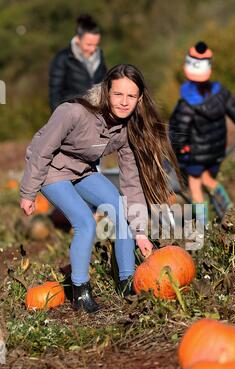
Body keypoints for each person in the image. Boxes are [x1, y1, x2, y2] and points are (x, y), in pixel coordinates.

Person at [20, 64, 180, 315]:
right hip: (51, 170)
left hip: (82, 170)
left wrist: (140, 232)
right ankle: (80, 291)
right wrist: (28, 193)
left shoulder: (127, 130)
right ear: (107, 91)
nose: (124, 102)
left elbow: (131, 181)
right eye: (118, 94)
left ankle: (127, 283)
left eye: (131, 96)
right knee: (86, 222)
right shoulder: (72, 112)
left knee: (120, 209)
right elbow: (42, 150)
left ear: (139, 99)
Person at [169, 41, 235, 221]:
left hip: (194, 154)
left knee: (195, 185)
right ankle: (230, 213)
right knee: (208, 180)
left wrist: (179, 147)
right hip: (215, 150)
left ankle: (203, 225)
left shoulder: (186, 103)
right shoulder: (221, 92)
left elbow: (179, 128)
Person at [49, 14, 107, 112]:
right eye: (89, 44)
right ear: (78, 39)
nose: (93, 49)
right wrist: (60, 117)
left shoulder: (100, 56)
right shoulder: (63, 58)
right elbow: (55, 94)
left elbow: (105, 83)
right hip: (71, 114)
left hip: (96, 114)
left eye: (95, 45)